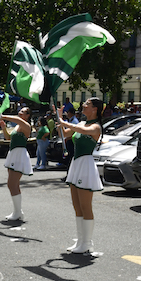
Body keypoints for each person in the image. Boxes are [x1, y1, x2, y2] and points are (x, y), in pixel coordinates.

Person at [57, 98, 104, 254]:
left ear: (95, 109)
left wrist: (65, 123)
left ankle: (88, 243)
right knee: (76, 205)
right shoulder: (81, 123)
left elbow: (82, 132)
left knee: (85, 206)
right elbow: (65, 134)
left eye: (87, 104)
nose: (83, 105)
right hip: (76, 164)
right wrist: (60, 120)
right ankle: (80, 240)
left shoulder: (96, 127)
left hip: (85, 164)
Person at [0, 107, 33, 220]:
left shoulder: (26, 126)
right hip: (13, 154)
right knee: (13, 184)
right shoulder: (17, 126)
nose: (19, 112)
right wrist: (4, 127)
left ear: (27, 115)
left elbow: (17, 120)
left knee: (11, 184)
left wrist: (3, 116)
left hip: (19, 155)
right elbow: (8, 138)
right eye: (20, 111)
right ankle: (18, 211)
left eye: (22, 112)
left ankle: (18, 212)